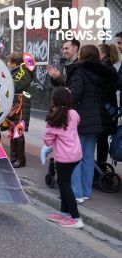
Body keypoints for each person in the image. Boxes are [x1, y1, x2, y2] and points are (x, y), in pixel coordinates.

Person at [66, 45, 118, 203]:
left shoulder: (78, 71)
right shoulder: (103, 72)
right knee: (88, 157)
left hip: (81, 119)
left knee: (75, 157)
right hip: (97, 119)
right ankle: (86, 191)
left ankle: (76, 193)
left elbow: (75, 94)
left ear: (82, 54)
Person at [44, 87, 84, 229]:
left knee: (65, 186)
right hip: (76, 155)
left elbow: (47, 141)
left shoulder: (53, 118)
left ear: (54, 100)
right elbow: (75, 123)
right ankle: (64, 213)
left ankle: (76, 218)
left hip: (63, 158)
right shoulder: (74, 114)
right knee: (63, 183)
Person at [6, 52, 33, 168]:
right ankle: (13, 157)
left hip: (21, 105)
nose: (8, 64)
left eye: (9, 62)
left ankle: (20, 159)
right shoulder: (16, 71)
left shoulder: (23, 72)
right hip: (15, 105)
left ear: (14, 62)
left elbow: (15, 86)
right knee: (13, 131)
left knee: (18, 132)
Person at [96, 43, 119, 168]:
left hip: (104, 111)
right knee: (102, 140)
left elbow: (102, 91)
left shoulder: (104, 69)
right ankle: (101, 167)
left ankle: (100, 168)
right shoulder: (108, 68)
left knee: (101, 140)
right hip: (107, 111)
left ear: (103, 54)